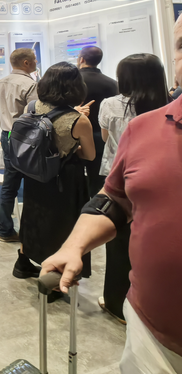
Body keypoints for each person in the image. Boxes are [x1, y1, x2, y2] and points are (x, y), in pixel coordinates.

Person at [42, 15, 182, 373]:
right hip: (149, 333)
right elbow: (115, 199)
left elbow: (102, 142)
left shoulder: (107, 106)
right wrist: (74, 245)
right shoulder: (144, 127)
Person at [96, 53, 169, 323]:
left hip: (119, 178)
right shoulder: (169, 104)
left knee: (118, 242)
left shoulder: (110, 104)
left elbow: (106, 137)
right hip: (159, 180)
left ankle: (117, 303)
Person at [15, 62, 96, 289]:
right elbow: (89, 155)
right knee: (60, 226)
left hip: (34, 174)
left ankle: (23, 262)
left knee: (33, 217)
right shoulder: (79, 120)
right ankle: (54, 277)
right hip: (63, 180)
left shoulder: (31, 107)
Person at [0, 48, 38, 242]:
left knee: (9, 184)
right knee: (33, 183)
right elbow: (35, 114)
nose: (36, 62)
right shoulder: (30, 84)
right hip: (26, 138)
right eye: (34, 59)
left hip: (7, 134)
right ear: (26, 62)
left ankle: (5, 230)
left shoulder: (1, 82)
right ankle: (31, 231)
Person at [78, 46, 118, 195]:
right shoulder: (112, 83)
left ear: (81, 59)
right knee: (98, 182)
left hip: (76, 138)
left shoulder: (71, 82)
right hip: (101, 138)